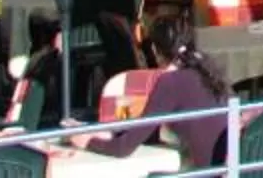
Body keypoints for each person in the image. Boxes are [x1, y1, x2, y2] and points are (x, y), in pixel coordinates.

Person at [55, 14, 229, 167]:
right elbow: (146, 130)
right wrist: (100, 131)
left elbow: (122, 149)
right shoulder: (206, 71)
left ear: (154, 50)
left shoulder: (170, 82)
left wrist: (87, 141)